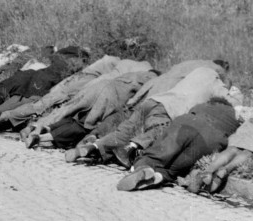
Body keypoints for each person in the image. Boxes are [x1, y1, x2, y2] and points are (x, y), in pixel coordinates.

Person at [66, 65, 241, 167]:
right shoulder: (218, 84)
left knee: (124, 131)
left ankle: (91, 148)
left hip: (153, 100)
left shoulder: (199, 71)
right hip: (169, 109)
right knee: (158, 131)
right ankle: (129, 150)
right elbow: (229, 104)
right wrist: (234, 93)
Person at [0, 57, 153, 133]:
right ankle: (37, 127)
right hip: (94, 87)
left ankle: (5, 116)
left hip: (77, 81)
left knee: (44, 103)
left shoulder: (115, 61)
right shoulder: (143, 71)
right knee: (63, 109)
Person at [116, 97, 240, 191]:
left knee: (157, 155)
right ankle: (159, 176)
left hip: (188, 124)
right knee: (173, 171)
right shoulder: (234, 118)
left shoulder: (204, 105)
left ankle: (144, 167)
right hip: (212, 139)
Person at [0, 47, 89, 127]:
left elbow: (48, 54)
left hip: (26, 74)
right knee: (24, 102)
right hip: (44, 80)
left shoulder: (55, 56)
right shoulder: (77, 64)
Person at [23, 69, 158, 149]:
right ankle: (41, 138)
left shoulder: (134, 72)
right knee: (85, 126)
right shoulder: (152, 79)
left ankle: (42, 127)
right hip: (110, 95)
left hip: (98, 86)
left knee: (74, 116)